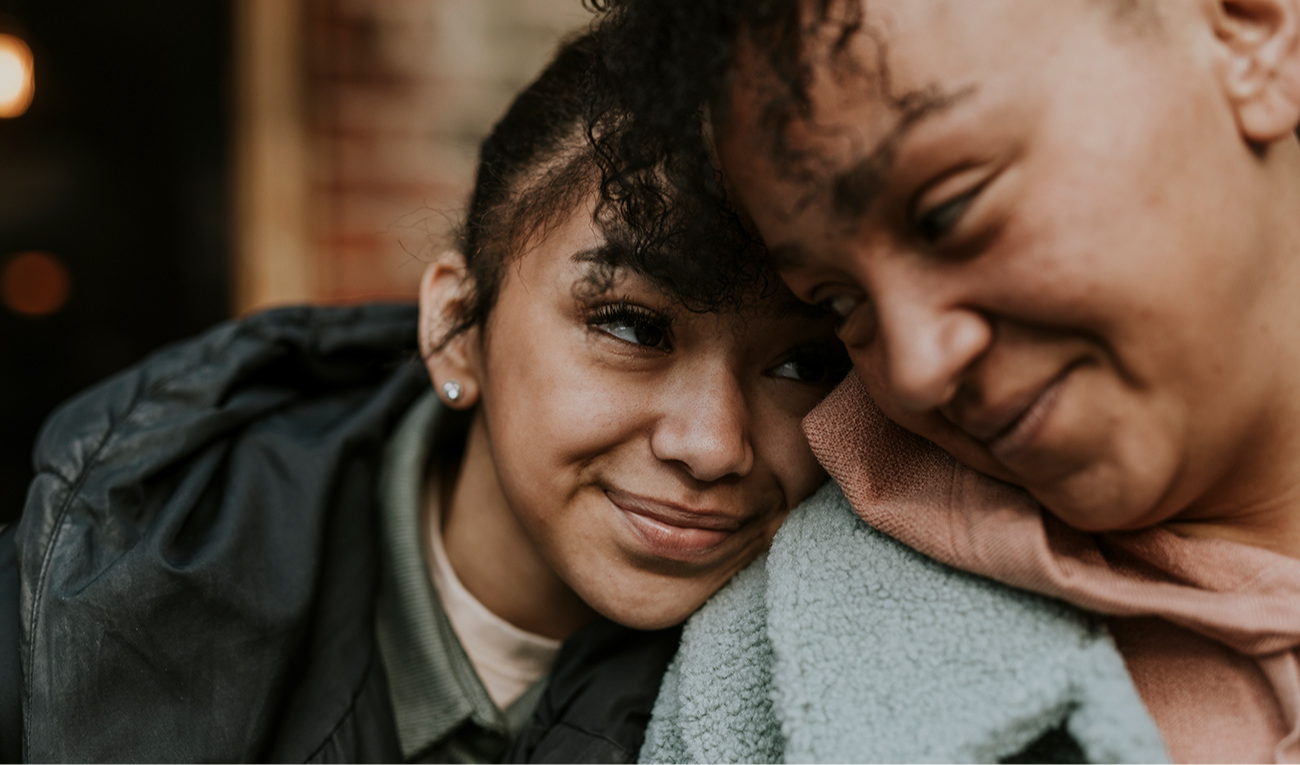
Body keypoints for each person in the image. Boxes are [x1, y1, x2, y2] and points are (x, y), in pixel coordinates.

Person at [0, 30, 849, 763]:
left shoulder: (848, 666)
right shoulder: (91, 585)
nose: (713, 443)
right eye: (631, 327)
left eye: (804, 363)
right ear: (454, 328)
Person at [588, 0, 1300, 762]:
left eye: (950, 211)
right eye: (838, 302)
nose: (918, 369)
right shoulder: (776, 689)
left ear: (1247, 31)